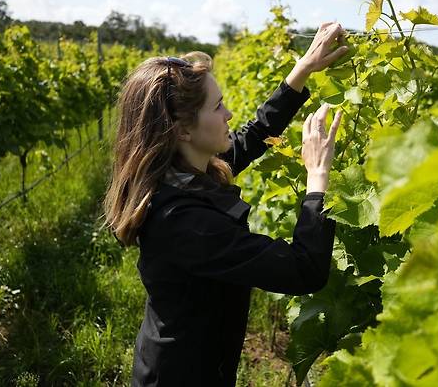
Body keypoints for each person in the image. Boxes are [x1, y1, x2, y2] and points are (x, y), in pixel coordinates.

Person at [103, 22, 349, 386]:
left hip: (186, 361)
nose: (229, 115)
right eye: (218, 107)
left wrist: (302, 71)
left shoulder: (181, 170)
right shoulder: (185, 223)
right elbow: (305, 269)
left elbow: (249, 138)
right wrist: (317, 179)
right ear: (183, 130)